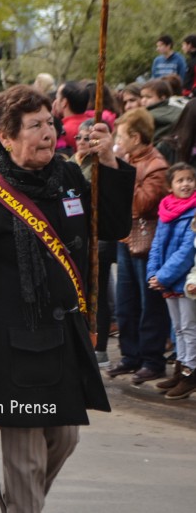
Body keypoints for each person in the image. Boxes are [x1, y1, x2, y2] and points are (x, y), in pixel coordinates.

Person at [0, 85, 134, 513]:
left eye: (50, 122)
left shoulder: (67, 178)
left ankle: (14, 500)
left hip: (62, 339)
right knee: (26, 455)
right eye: (35, 126)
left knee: (65, 437)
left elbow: (113, 226)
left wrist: (107, 162)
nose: (48, 132)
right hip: (9, 347)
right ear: (7, 138)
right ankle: (22, 503)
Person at [107, 108, 171, 384]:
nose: (118, 142)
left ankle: (152, 360)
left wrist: (124, 177)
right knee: (126, 304)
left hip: (147, 244)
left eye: (121, 136)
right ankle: (130, 356)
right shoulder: (129, 159)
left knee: (149, 306)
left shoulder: (157, 166)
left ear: (135, 136)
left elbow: (143, 204)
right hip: (126, 238)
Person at [68, 120, 118, 367]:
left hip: (97, 238)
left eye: (88, 138)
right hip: (73, 238)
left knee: (97, 292)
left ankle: (99, 347)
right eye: (79, 137)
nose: (82, 142)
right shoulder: (69, 162)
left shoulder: (100, 163)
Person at [149, 163, 196, 399]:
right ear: (170, 186)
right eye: (180, 180)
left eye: (189, 179)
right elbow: (157, 245)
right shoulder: (166, 211)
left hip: (186, 281)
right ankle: (181, 367)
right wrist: (152, 275)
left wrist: (162, 276)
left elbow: (187, 251)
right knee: (177, 327)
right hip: (167, 281)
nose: (186, 184)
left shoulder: (194, 212)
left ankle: (191, 373)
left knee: (189, 327)